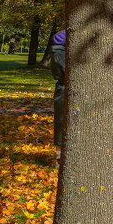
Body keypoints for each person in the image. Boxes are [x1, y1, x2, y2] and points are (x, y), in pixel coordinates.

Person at [50, 30, 66, 164]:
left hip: (62, 89)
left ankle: (59, 154)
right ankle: (59, 155)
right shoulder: (60, 52)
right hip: (64, 90)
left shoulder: (58, 51)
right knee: (61, 121)